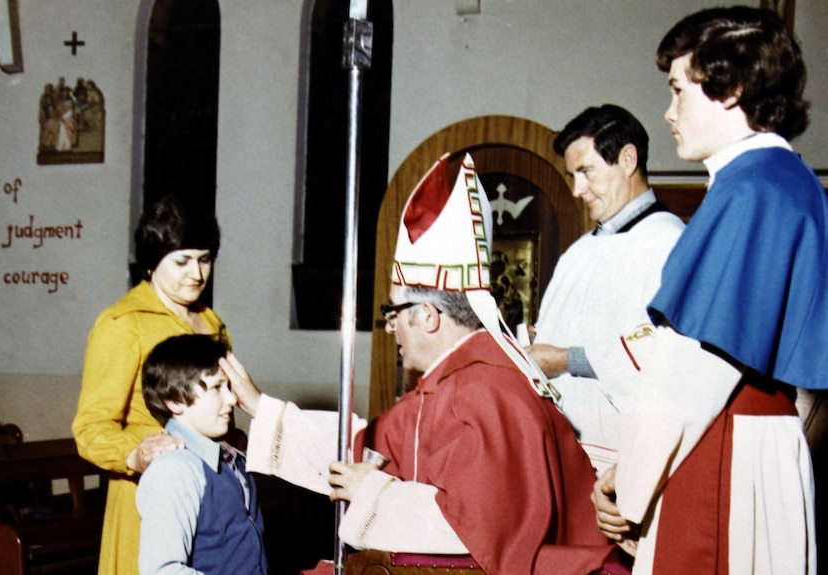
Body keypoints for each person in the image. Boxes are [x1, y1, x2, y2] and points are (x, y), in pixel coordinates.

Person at [226, 153, 615, 575]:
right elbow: (365, 447)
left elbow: (478, 532)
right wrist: (261, 407)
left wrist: (375, 494)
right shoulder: (452, 381)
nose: (391, 329)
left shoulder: (487, 393)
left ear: (428, 316)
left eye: (394, 313)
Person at [590, 6, 825, 573]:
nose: (667, 113)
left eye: (678, 90)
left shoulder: (750, 190)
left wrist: (631, 487)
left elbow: (689, 376)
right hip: (756, 442)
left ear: (732, 88)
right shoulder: (787, 180)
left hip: (723, 452)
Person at [72, 195, 228, 575]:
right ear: (151, 261)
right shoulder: (123, 323)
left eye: (204, 260)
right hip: (147, 490)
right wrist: (135, 454)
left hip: (207, 489)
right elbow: (90, 429)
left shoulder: (212, 324)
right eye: (182, 261)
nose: (196, 274)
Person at [527, 104, 684, 475]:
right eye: (573, 175)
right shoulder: (579, 251)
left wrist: (566, 358)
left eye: (586, 172)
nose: (578, 190)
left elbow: (663, 357)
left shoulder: (667, 241)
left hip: (621, 460)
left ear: (627, 160)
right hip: (562, 450)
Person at [136, 334, 268, 575]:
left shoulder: (231, 460)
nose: (231, 399)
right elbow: (161, 571)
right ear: (175, 400)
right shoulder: (175, 469)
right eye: (217, 388)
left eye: (228, 387)